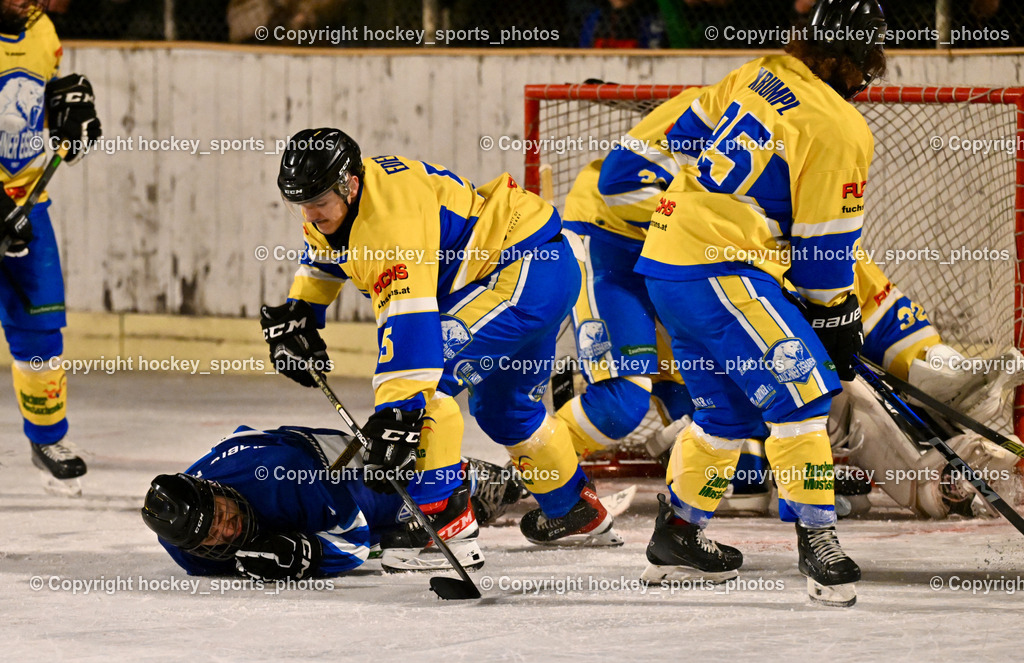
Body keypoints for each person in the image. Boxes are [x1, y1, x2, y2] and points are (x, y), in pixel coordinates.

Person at [557, 76, 1024, 520]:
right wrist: (734, 241)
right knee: (624, 404)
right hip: (612, 245)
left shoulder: (800, 183)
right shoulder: (730, 111)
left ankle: (706, 515)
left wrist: (928, 362)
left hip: (702, 265)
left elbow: (855, 286)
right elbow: (620, 185)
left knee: (749, 471)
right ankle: (536, 475)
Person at [259, 129, 622, 572]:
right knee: (506, 409)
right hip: (537, 269)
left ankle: (442, 522)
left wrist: (396, 413)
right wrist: (301, 310)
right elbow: (326, 254)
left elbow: (411, 328)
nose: (311, 214)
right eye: (302, 203)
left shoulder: (391, 223)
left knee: (424, 393)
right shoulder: (341, 201)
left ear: (349, 184)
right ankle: (574, 510)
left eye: (318, 203)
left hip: (520, 277)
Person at [632, 0, 887, 607]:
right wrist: (837, 319)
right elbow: (824, 253)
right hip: (722, 269)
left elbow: (683, 135)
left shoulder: (760, 73)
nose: (868, 80)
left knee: (725, 413)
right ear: (851, 58)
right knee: (804, 392)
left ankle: (679, 535)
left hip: (669, 260)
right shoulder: (841, 128)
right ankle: (819, 543)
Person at [142, 425, 526, 577]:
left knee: (408, 509)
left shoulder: (283, 476)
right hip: (296, 469)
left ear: (216, 490)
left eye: (222, 515)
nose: (228, 530)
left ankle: (471, 477)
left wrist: (309, 555)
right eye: (212, 537)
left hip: (343, 473)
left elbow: (356, 545)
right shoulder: (183, 545)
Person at [0, 0, 101, 496]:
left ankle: (47, 440)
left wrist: (69, 111)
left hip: (27, 204)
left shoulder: (41, 29)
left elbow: (43, 95)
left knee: (40, 327)